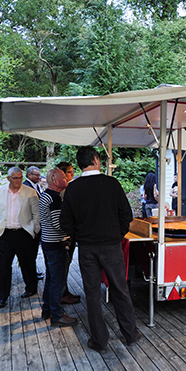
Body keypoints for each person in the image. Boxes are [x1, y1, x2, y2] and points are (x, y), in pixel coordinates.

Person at [60, 146, 140, 352]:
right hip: (111, 246)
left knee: (92, 294)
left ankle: (99, 340)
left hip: (87, 248)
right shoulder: (112, 184)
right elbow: (126, 216)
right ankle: (130, 334)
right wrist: (116, 235)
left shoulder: (73, 188)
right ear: (96, 160)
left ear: (79, 164)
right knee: (120, 290)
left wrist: (78, 236)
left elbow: (65, 224)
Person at [0, 167, 40, 308]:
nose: (18, 181)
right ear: (8, 178)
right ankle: (1, 297)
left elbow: (37, 214)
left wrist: (34, 229)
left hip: (24, 232)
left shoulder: (30, 192)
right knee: (3, 266)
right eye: (15, 178)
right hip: (5, 234)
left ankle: (31, 288)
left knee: (27, 263)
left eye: (20, 177)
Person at [39, 168, 78, 327]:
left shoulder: (45, 195)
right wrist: (73, 232)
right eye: (64, 177)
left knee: (51, 279)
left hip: (48, 243)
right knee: (58, 281)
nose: (67, 180)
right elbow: (58, 224)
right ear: (54, 180)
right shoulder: (54, 198)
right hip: (56, 244)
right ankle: (57, 315)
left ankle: (47, 310)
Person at [55, 161, 81, 305]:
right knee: (63, 264)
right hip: (65, 234)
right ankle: (62, 294)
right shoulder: (63, 190)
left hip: (68, 232)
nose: (72, 174)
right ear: (63, 173)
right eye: (70, 171)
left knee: (66, 263)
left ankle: (64, 291)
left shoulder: (66, 188)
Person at [23, 165, 44, 280]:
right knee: (30, 251)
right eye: (36, 175)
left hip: (36, 223)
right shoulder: (26, 187)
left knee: (33, 251)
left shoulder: (35, 186)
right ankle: (31, 274)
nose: (39, 177)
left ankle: (33, 272)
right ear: (29, 175)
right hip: (30, 224)